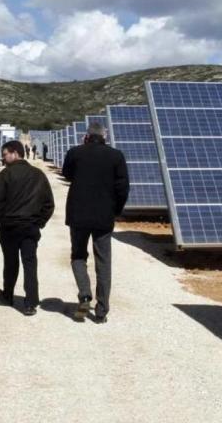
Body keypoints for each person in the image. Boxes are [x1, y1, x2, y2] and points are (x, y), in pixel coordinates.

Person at [61, 122, 129, 323]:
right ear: (104, 137)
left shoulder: (75, 153)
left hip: (78, 215)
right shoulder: (116, 156)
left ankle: (84, 293)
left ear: (86, 137)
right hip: (103, 217)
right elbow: (123, 188)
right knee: (103, 261)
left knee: (78, 255)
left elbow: (67, 174)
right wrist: (115, 210)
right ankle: (101, 310)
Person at [0, 140, 55, 316]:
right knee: (30, 264)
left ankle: (8, 295)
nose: (3, 159)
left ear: (15, 153)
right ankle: (30, 303)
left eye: (5, 155)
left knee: (10, 263)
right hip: (30, 228)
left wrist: (1, 223)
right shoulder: (38, 175)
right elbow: (49, 204)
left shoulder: (5, 175)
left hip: (9, 228)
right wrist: (39, 222)